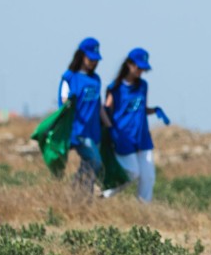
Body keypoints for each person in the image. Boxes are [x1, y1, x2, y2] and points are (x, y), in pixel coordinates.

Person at [103, 47, 168, 202]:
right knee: (132, 173)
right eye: (138, 67)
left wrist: (155, 110)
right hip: (123, 137)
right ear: (129, 64)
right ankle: (104, 196)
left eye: (143, 69)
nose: (141, 71)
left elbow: (141, 109)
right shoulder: (115, 88)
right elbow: (106, 110)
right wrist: (110, 131)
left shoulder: (143, 86)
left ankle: (143, 210)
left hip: (142, 137)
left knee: (148, 177)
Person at [58, 38, 111, 194]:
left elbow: (98, 105)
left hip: (94, 131)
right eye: (90, 58)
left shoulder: (96, 80)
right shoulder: (69, 77)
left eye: (96, 60)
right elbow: (63, 103)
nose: (94, 62)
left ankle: (82, 199)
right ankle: (73, 189)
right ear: (81, 56)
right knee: (95, 161)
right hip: (78, 131)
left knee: (89, 166)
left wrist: (109, 126)